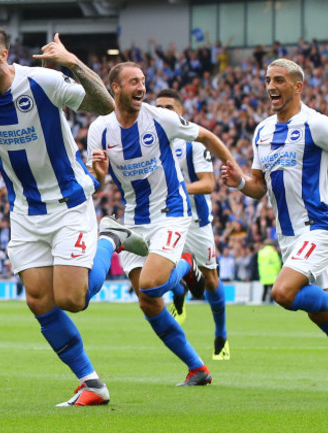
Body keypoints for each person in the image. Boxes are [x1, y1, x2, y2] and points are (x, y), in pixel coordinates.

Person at [0, 21, 148, 406]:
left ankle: (110, 237)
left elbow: (105, 105)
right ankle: (92, 383)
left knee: (71, 298)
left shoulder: (40, 82)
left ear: (3, 54)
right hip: (24, 210)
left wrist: (71, 62)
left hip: (69, 202)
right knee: (38, 299)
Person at [221, 58, 328, 401]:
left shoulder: (317, 124)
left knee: (282, 293)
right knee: (319, 314)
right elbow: (259, 186)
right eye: (268, 79)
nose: (272, 86)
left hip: (318, 228)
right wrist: (239, 182)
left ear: (298, 86)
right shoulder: (262, 131)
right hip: (289, 237)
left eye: (280, 80)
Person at [87, 62, 235, 385]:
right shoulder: (99, 129)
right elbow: (96, 181)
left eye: (143, 81)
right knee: (148, 301)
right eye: (134, 82)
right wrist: (98, 172)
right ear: (115, 88)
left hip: (171, 213)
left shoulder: (160, 119)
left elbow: (207, 135)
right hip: (134, 219)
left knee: (154, 284)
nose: (142, 87)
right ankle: (197, 369)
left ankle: (186, 265)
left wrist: (234, 168)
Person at [154, 88, 229, 361]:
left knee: (210, 278)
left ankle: (221, 333)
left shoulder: (192, 142)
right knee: (158, 275)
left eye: (169, 107)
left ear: (180, 112)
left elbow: (209, 183)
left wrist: (179, 187)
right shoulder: (148, 140)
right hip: (164, 218)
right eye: (158, 106)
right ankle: (179, 289)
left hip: (196, 222)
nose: (163, 112)